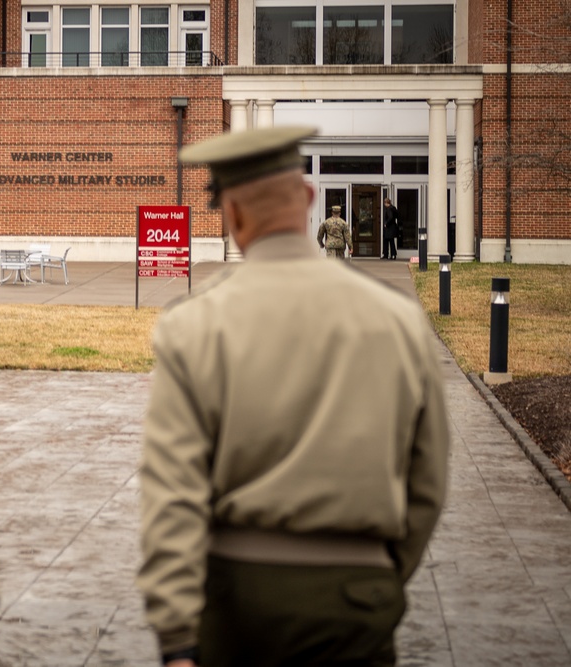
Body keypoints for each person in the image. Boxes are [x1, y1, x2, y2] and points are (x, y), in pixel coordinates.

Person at [136, 126, 449, 667]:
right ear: (307, 199)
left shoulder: (193, 325)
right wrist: (379, 572)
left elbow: (172, 491)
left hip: (237, 597)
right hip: (356, 593)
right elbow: (428, 477)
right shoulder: (397, 319)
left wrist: (176, 634)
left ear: (231, 215)